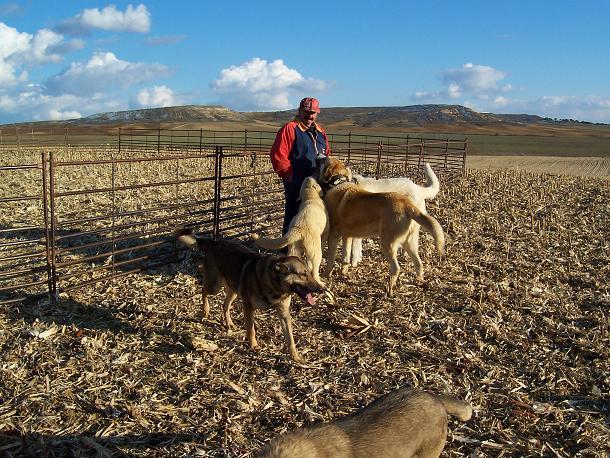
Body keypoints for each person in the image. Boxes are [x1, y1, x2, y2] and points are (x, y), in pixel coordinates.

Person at [270, 97, 330, 234]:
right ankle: (288, 245)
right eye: (306, 112)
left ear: (317, 113)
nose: (310, 116)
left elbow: (326, 153)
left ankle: (308, 242)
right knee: (294, 214)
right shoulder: (290, 129)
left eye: (313, 113)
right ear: (300, 111)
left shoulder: (321, 131)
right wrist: (290, 176)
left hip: (318, 181)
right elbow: (278, 154)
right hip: (297, 180)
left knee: (314, 213)